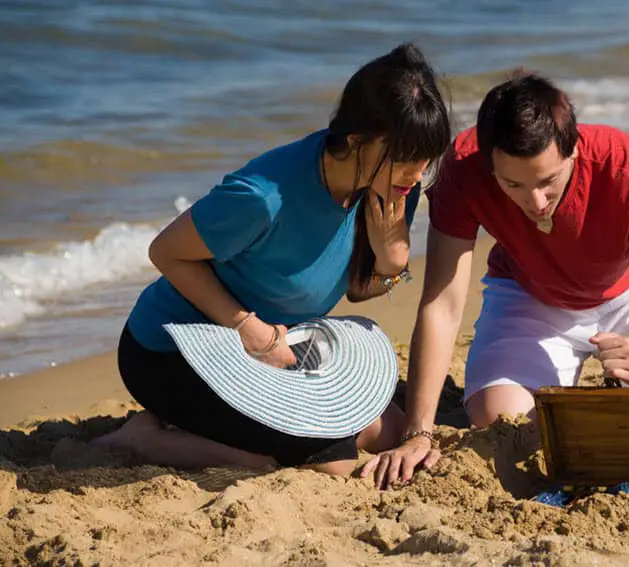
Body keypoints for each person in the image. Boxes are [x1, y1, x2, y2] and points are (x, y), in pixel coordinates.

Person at [363, 71, 629, 488]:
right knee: (503, 424)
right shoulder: (463, 168)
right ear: (488, 163)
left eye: (548, 181)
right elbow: (443, 304)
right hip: (530, 298)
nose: (536, 202)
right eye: (513, 184)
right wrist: (418, 432)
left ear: (574, 151)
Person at [95, 43, 451, 477]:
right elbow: (165, 252)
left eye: (427, 160)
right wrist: (250, 329)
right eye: (407, 160)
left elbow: (357, 290)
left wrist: (392, 261)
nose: (418, 175)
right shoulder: (264, 196)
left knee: (389, 430)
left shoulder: (393, 189)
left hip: (279, 351)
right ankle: (145, 438)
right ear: (357, 141)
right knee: (334, 464)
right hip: (172, 350)